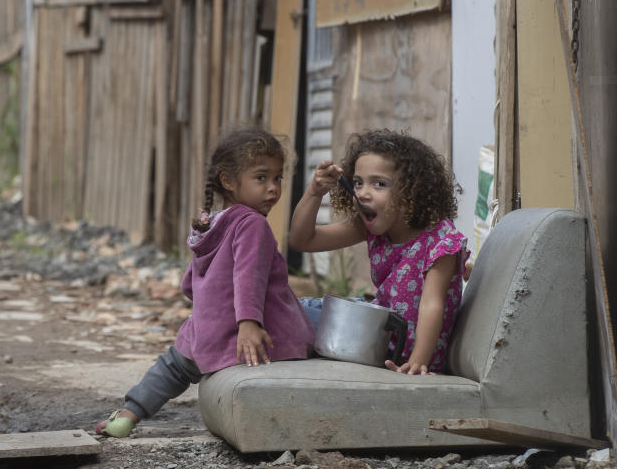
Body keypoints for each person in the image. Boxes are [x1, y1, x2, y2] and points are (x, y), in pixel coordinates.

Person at [95, 127, 316, 438]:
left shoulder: (212, 223)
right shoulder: (253, 224)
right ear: (228, 181)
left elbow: (189, 283)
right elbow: (248, 276)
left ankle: (128, 414)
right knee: (317, 322)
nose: (273, 189)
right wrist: (248, 322)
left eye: (277, 178)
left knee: (173, 366)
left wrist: (210, 308)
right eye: (261, 177)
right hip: (249, 332)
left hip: (207, 330)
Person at [289, 129, 468, 375]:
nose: (362, 193)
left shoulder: (441, 241)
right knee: (293, 308)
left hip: (397, 350)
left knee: (288, 317)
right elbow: (302, 240)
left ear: (411, 192)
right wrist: (314, 192)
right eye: (358, 182)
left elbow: (431, 304)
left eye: (379, 184)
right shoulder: (370, 228)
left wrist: (418, 362)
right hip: (375, 330)